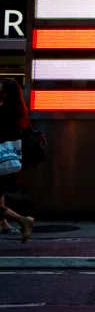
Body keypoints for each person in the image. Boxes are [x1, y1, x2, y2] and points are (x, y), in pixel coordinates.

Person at [0, 78, 34, 243]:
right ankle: (4, 223)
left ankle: (22, 220)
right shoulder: (17, 109)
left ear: (5, 93)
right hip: (10, 162)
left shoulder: (3, 111)